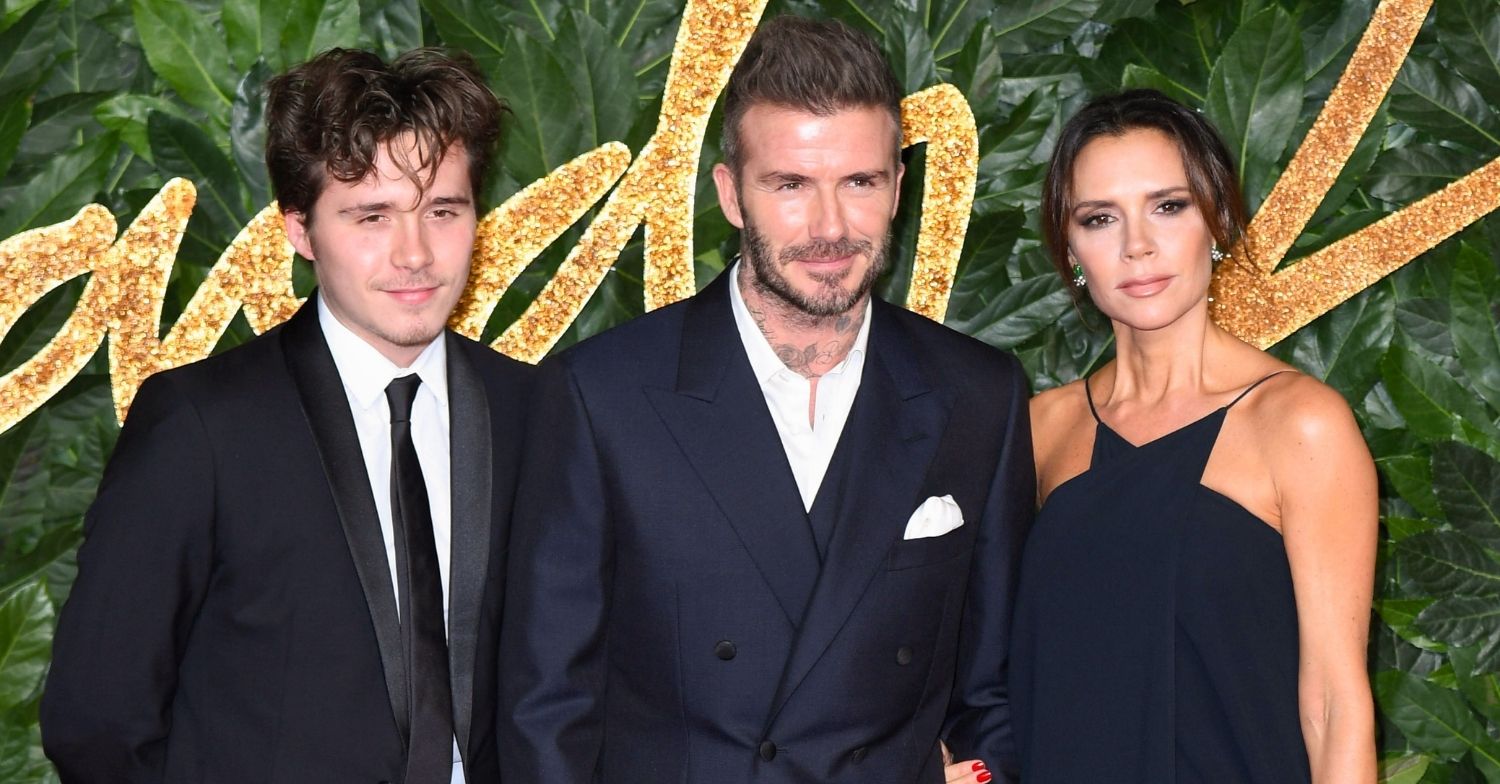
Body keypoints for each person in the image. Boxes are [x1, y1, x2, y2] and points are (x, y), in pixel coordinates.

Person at [498, 15, 1033, 783]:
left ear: (897, 187)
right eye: (790, 185)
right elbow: (546, 710)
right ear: (732, 194)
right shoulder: (600, 396)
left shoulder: (978, 395)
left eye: (859, 182)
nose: (830, 227)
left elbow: (995, 690)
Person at [40, 48, 532, 783]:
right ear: (300, 231)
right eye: (372, 216)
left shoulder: (531, 409)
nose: (415, 254)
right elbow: (98, 717)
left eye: (442, 211)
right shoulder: (201, 426)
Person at [1010, 89, 1378, 783]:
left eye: (1168, 206)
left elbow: (1335, 706)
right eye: (1100, 218)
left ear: (1218, 219)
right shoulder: (1038, 429)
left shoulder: (1300, 424)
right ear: (1070, 248)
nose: (1137, 246)